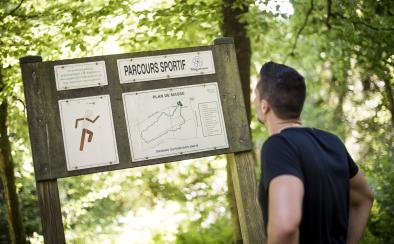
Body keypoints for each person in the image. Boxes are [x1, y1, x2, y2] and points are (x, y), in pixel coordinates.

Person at [254, 61, 374, 244]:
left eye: (255, 96)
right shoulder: (332, 142)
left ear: (264, 106)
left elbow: (285, 227)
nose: (253, 101)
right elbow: (365, 197)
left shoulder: (278, 146)